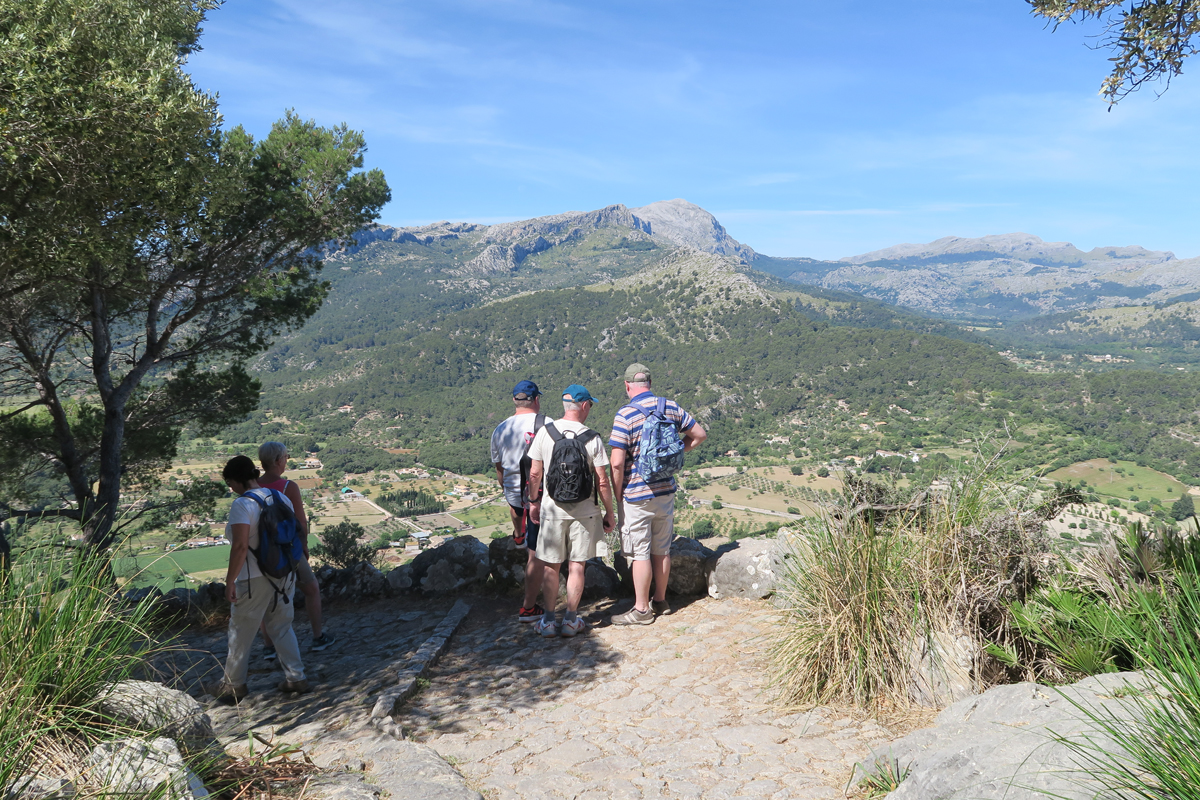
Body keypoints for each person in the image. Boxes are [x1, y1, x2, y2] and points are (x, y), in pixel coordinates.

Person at [608, 363, 707, 625]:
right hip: (666, 490)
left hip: (637, 496)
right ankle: (661, 601)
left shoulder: (626, 415)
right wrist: (674, 454)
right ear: (649, 383)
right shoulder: (670, 407)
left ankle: (641, 609)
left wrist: (618, 494)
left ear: (627, 386)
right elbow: (699, 435)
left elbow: (617, 462)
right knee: (662, 550)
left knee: (640, 553)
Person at [205, 455, 309, 700]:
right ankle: (297, 678)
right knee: (282, 626)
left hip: (252, 578)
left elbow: (240, 546)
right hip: (284, 573)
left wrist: (230, 581)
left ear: (236, 480)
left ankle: (233, 685)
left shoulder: (243, 505)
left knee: (240, 631)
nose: (230, 488)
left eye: (230, 483)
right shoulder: (279, 497)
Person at [527, 385, 615, 637]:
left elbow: (535, 473)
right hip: (585, 512)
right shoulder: (592, 437)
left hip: (552, 510)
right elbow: (602, 481)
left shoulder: (544, 433)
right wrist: (609, 513)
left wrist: (534, 502)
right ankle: (570, 620)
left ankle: (547, 621)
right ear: (585, 405)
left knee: (550, 566)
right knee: (577, 566)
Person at [257, 441, 333, 654]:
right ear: (279, 461)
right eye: (286, 457)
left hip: (260, 551)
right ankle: (318, 637)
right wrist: (304, 547)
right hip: (287, 550)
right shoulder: (288, 487)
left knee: (264, 597)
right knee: (311, 589)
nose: (286, 461)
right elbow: (300, 522)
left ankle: (268, 646)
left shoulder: (252, 486)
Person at [489, 380, 550, 623]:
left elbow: (499, 468)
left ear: (514, 401)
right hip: (544, 496)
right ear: (536, 400)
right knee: (535, 555)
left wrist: (506, 486)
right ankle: (528, 608)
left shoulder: (500, 429)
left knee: (516, 509)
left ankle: (517, 536)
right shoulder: (549, 425)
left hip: (515, 492)